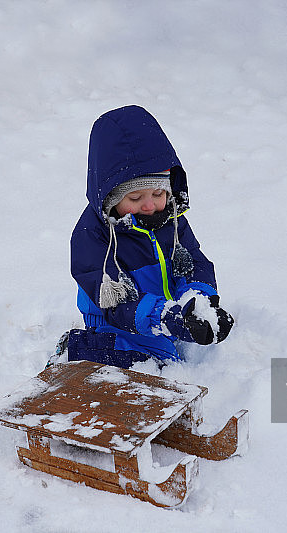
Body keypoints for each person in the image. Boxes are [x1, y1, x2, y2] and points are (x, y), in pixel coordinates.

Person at [55, 105, 233, 369]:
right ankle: (79, 351)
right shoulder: (92, 236)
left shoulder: (171, 221)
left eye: (158, 194)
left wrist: (199, 303)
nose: (149, 206)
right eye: (136, 197)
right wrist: (167, 318)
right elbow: (118, 304)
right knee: (149, 369)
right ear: (110, 197)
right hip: (116, 326)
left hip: (166, 317)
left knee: (167, 362)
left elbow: (195, 263)